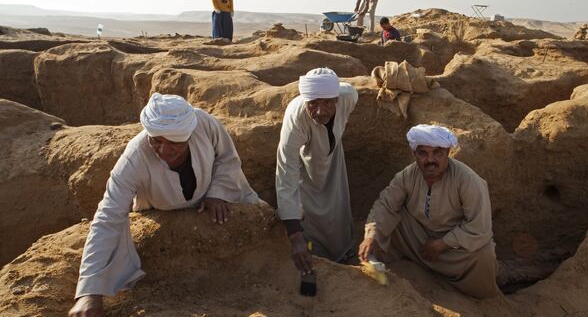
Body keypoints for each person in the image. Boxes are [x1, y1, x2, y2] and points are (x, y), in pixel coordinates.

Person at [68, 93, 261, 316]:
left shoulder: (204, 123)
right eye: (157, 141)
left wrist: (218, 193)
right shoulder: (134, 157)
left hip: (211, 196)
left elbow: (227, 157)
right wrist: (89, 293)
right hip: (161, 207)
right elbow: (108, 216)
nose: (164, 150)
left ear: (188, 135)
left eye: (175, 143)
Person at [358, 124, 500, 299]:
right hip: (417, 239)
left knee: (483, 254)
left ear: (448, 152)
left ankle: (481, 289)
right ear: (415, 154)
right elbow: (386, 205)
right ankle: (380, 263)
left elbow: (480, 226)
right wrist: (371, 235)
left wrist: (442, 244)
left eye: (437, 153)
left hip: (453, 248)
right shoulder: (407, 175)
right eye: (423, 153)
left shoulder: (468, 180)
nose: (430, 160)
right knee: (385, 225)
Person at [276, 68, 358, 275]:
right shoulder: (296, 119)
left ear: (336, 100)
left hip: (333, 157)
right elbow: (286, 173)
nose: (320, 111)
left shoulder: (348, 97)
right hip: (306, 165)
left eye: (327, 103)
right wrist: (294, 236)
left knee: (338, 206)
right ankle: (314, 257)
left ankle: (344, 254)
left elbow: (348, 89)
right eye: (313, 103)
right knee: (309, 215)